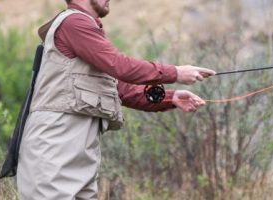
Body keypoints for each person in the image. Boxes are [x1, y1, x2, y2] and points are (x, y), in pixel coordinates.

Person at [16, 0, 216, 199]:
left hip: (75, 152)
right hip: (55, 146)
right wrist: (175, 72)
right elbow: (120, 66)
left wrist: (171, 98)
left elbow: (121, 89)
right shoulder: (74, 23)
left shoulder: (85, 30)